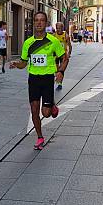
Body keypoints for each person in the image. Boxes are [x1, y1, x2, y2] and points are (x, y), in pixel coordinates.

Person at [10, 11, 68, 150]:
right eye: (36, 20)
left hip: (48, 79)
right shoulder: (28, 43)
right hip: (34, 79)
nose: (39, 23)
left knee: (46, 113)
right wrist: (16, 64)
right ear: (33, 23)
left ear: (46, 23)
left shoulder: (53, 41)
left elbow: (64, 58)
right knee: (34, 109)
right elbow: (24, 63)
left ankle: (52, 106)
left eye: (42, 20)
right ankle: (40, 137)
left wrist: (60, 71)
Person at [54, 22, 71, 90]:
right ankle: (58, 79)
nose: (58, 29)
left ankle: (60, 84)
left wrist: (69, 53)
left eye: (60, 28)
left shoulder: (66, 35)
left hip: (63, 55)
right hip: (55, 55)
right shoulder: (54, 35)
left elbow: (69, 45)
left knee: (61, 70)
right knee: (56, 70)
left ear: (62, 28)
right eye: (57, 28)